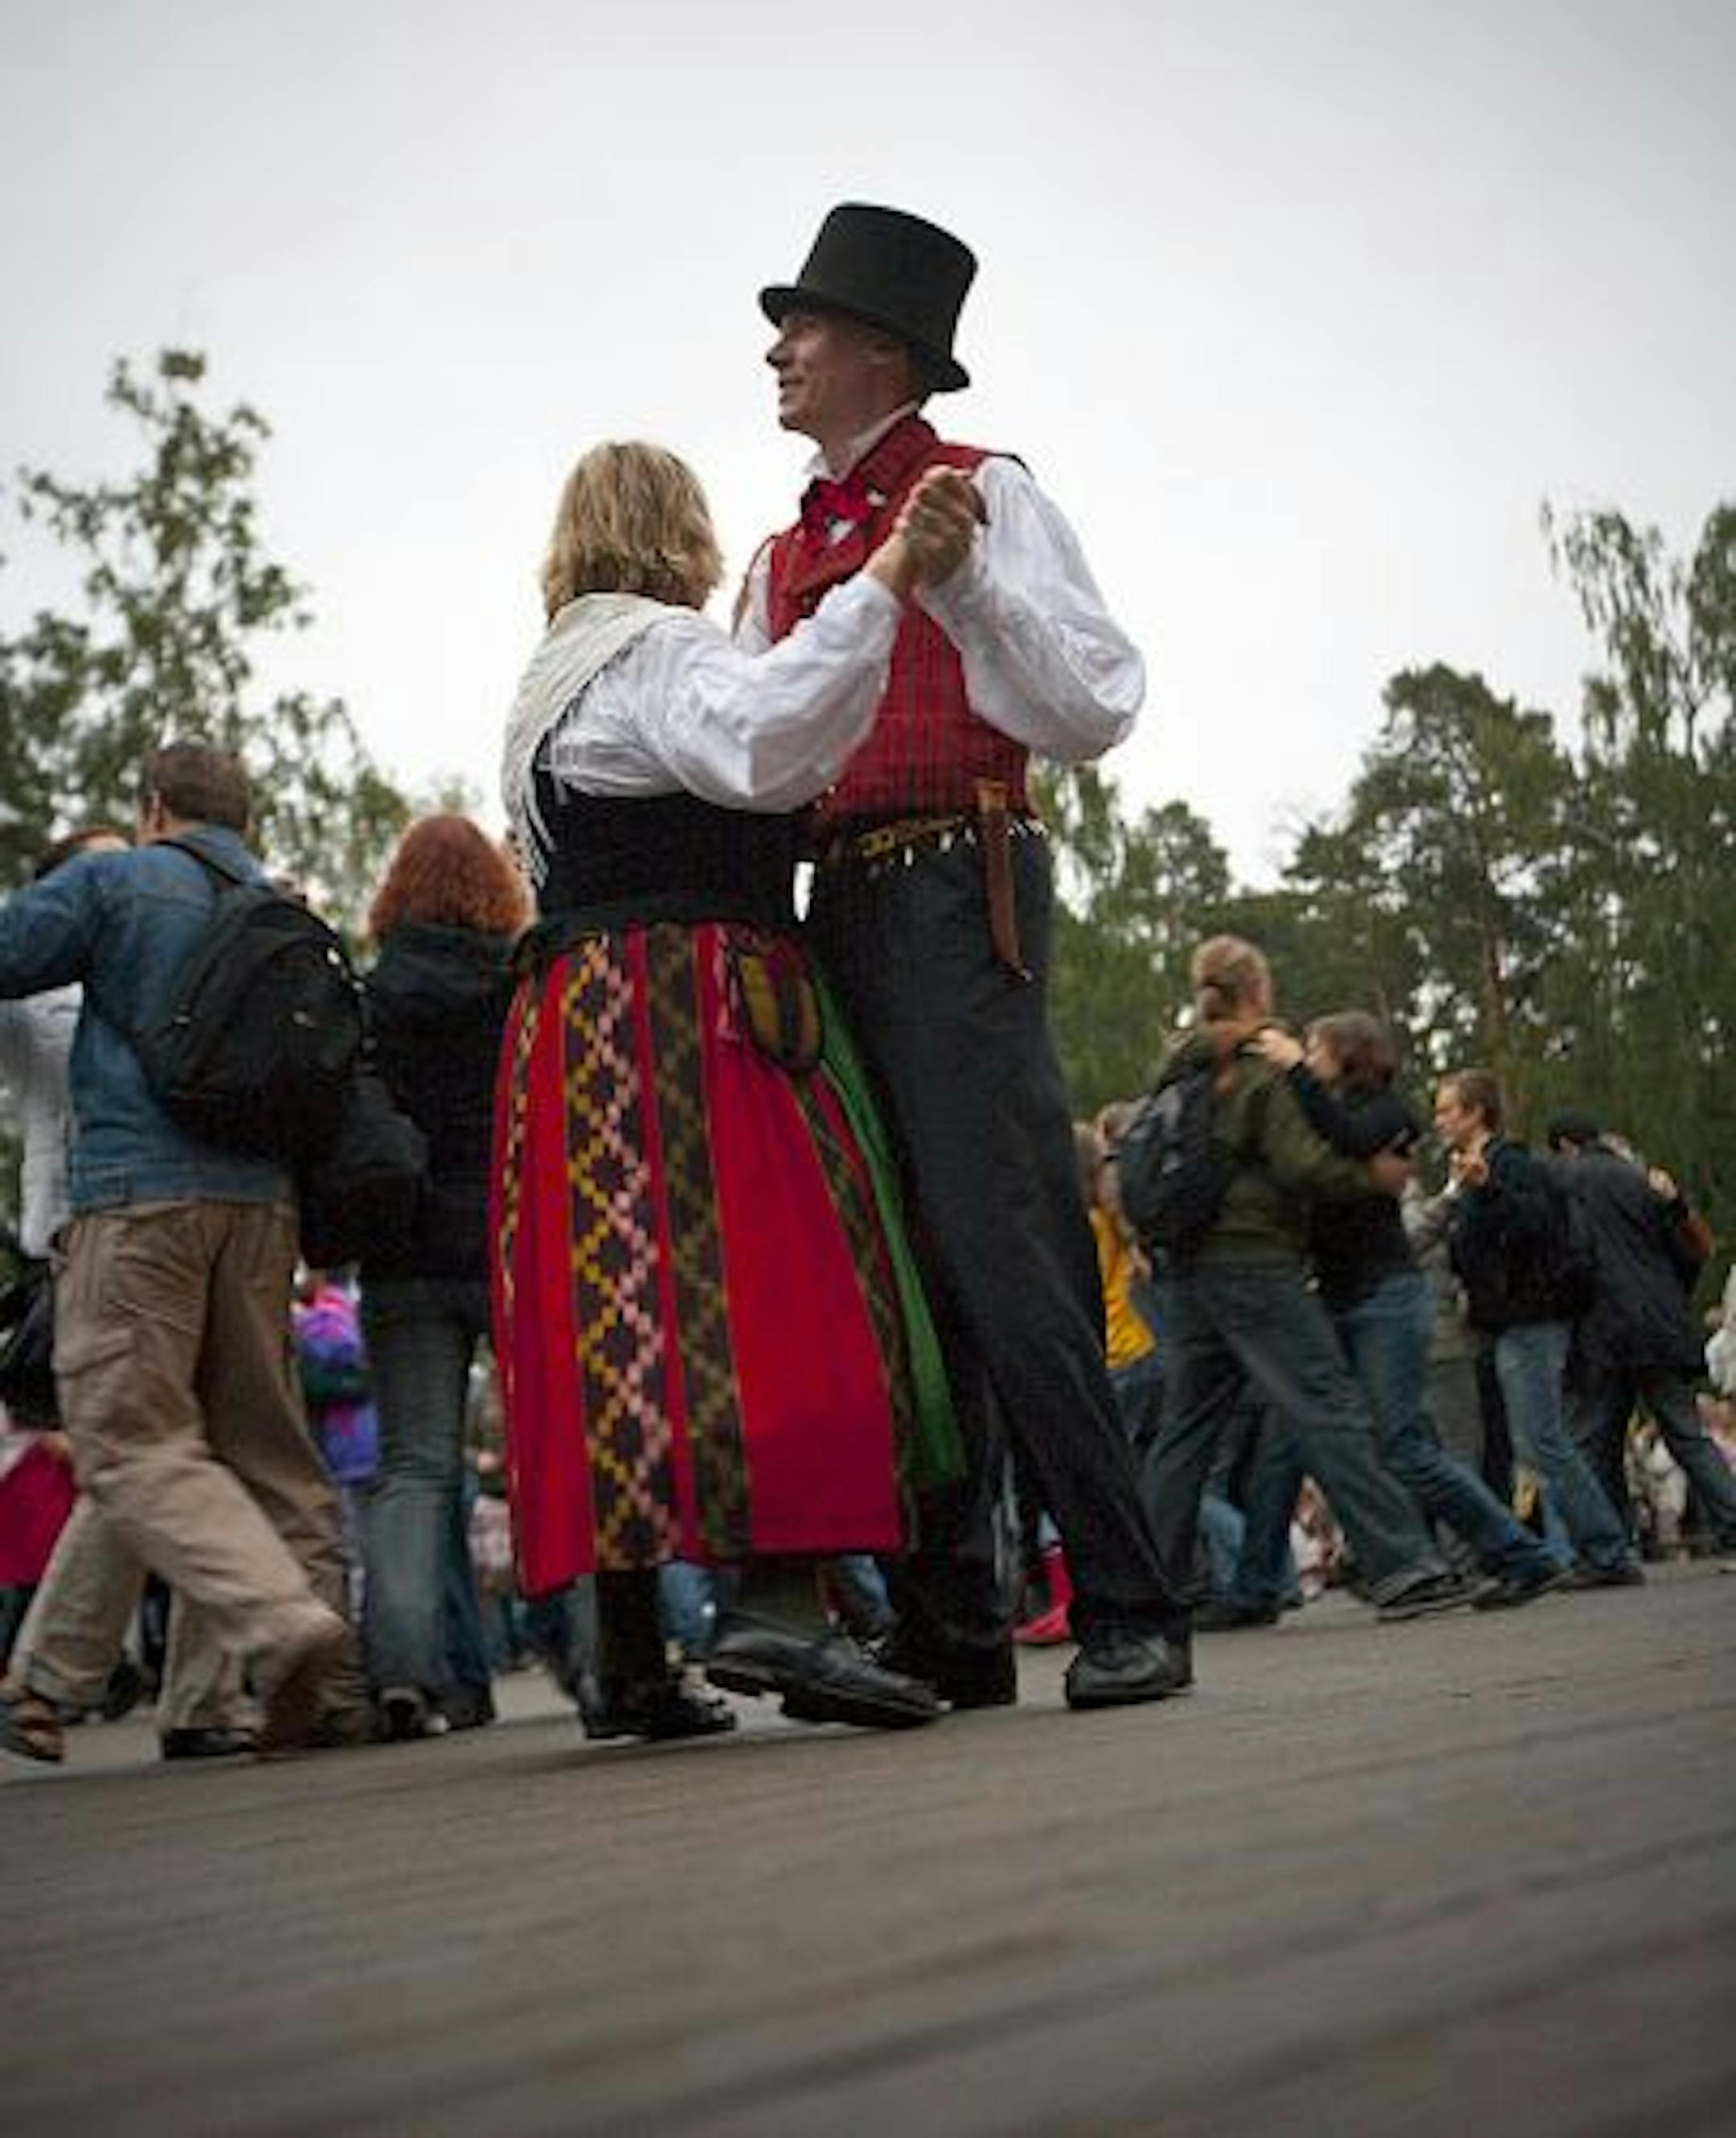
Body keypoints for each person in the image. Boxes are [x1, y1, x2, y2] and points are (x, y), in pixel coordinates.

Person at [739, 201, 1187, 1711]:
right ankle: (954, 1620)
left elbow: (1098, 703)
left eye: (800, 326)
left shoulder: (986, 492)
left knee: (1008, 1250)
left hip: (956, 880)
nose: (776, 350)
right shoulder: (783, 550)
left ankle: (1130, 1597)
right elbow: (756, 742)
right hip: (834, 909)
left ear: (879, 350)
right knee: (896, 1270)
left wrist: (972, 578)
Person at [496, 437, 975, 1736]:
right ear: (683, 536)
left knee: (616, 1322)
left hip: (573, 1019)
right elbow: (765, 745)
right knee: (784, 1277)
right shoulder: (656, 649)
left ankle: (634, 1655)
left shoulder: (551, 679)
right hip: (692, 1008)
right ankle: (781, 1604)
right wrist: (881, 582)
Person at [0, 743, 366, 1763]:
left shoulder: (116, 881)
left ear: (152, 805)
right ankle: (330, 1684)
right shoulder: (284, 906)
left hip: (138, 1201)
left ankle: (281, 1622)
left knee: (130, 1438)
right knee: (265, 1445)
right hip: (262, 1211)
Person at [0, 824, 258, 1763]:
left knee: (187, 1452)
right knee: (141, 1455)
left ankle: (195, 1694)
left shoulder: (155, 958)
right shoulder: (45, 998)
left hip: (170, 1223)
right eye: (99, 871)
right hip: (88, 1235)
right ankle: (54, 1675)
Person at [1140, 937, 1467, 1649]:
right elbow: (1301, 1164)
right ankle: (1406, 1563)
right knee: (1328, 1406)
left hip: (1186, 1269)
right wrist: (1374, 1180)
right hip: (1256, 1263)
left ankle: (1141, 1592)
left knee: (1185, 1430)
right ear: (1257, 989)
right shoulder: (1258, 1065)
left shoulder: (1176, 1066)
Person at [1259, 1014, 1569, 1608]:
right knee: (1364, 1438)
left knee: (1404, 1446)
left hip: (1385, 1297)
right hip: (1347, 1296)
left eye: (1315, 1047)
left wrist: (1293, 1070)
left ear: (1348, 1053)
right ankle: (1441, 1559)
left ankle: (1521, 1555)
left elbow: (1349, 1138)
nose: (1306, 1053)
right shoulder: (1327, 1110)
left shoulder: (1385, 1111)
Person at [354, 813, 526, 1741]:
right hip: (504, 1245)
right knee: (546, 1448)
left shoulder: (373, 995)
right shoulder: (516, 985)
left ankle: (405, 1673)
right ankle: (598, 1653)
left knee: (416, 1470)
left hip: (404, 1255)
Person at [1432, 1071, 1642, 1587]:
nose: (1438, 1122)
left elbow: (1536, 1227)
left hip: (1530, 1318)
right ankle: (1566, 1548)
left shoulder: (1511, 1165)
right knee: (1525, 1443)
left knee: (1543, 1439)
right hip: (1502, 1322)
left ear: (1476, 1113)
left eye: (1447, 1111)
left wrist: (1487, 1190)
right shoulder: (1468, 1174)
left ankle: (1605, 1549)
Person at [1546, 1114, 1736, 1563]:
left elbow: (1574, 1256)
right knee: (1687, 1434)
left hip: (1604, 1329)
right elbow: (1687, 1253)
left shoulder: (1568, 1180)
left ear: (1563, 1146)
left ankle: (1611, 1543)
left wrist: (1565, 1308)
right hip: (1659, 1324)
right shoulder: (1640, 1179)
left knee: (1595, 1441)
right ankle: (1731, 1521)